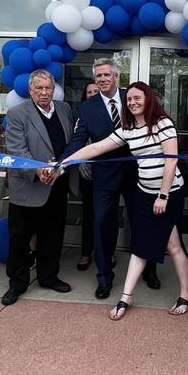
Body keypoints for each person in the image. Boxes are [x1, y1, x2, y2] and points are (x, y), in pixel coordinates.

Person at [59, 81, 188, 320]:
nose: (132, 103)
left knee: (172, 246)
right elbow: (96, 148)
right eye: (129, 99)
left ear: (148, 99)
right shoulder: (127, 129)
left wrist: (162, 195)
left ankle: (186, 294)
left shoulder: (163, 124)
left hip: (169, 194)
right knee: (139, 245)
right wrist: (65, 161)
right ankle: (126, 296)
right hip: (144, 192)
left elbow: (171, 162)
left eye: (137, 98)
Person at [62, 58, 158, 299]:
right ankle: (104, 277)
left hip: (138, 173)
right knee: (102, 223)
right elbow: (77, 140)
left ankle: (150, 271)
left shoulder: (132, 97)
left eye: (106, 75)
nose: (102, 79)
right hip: (103, 176)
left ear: (116, 77)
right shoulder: (87, 108)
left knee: (143, 222)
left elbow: (153, 124)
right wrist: (61, 161)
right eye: (98, 76)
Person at [1, 69, 75, 306]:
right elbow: (16, 150)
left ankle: (48, 277)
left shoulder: (64, 110)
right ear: (30, 90)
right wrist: (37, 171)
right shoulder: (17, 114)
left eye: (48, 88)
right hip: (29, 187)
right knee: (19, 238)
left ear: (54, 89)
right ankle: (17, 283)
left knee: (53, 235)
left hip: (58, 186)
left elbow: (71, 143)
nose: (44, 93)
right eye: (39, 88)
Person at [75, 81, 100, 271]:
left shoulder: (111, 111)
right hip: (86, 172)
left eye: (96, 91)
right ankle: (86, 252)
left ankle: (106, 252)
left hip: (108, 172)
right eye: (89, 92)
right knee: (88, 214)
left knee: (106, 216)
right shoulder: (81, 113)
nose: (92, 94)